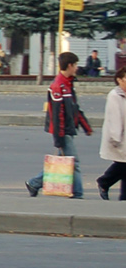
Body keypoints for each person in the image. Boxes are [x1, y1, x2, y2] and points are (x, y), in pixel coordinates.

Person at [26, 51, 92, 198]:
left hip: (68, 129)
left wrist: (86, 126)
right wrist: (59, 137)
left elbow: (75, 109)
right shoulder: (58, 86)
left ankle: (34, 183)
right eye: (75, 65)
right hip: (63, 131)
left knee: (63, 162)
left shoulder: (68, 84)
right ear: (70, 65)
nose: (76, 68)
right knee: (73, 163)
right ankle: (78, 194)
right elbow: (57, 115)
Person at [97, 65, 126, 200]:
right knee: (123, 165)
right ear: (119, 80)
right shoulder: (115, 96)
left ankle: (123, 197)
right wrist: (116, 139)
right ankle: (104, 181)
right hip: (119, 138)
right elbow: (114, 119)